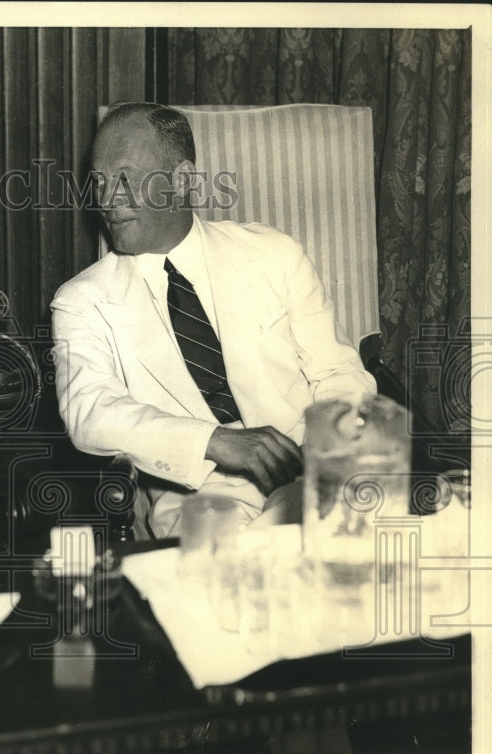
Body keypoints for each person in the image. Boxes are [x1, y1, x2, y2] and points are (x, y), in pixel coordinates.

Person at [50, 102, 376, 536]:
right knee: (230, 582)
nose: (108, 202)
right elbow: (89, 412)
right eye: (100, 183)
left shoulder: (273, 254)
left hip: (305, 463)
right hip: (195, 488)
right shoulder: (81, 301)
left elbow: (338, 373)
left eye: (126, 180)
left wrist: (320, 463)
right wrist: (215, 441)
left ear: (182, 180)